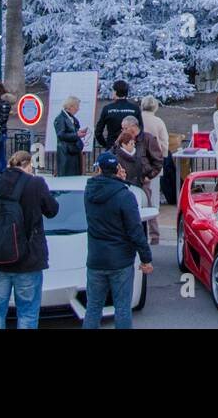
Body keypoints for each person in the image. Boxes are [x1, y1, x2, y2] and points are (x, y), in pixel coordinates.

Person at [0, 150, 58, 329]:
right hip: (28, 260)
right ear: (28, 165)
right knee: (27, 313)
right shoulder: (35, 183)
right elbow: (52, 210)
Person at [82, 151, 153, 329]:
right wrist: (146, 259)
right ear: (117, 170)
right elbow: (135, 230)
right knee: (122, 309)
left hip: (96, 259)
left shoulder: (89, 192)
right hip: (120, 260)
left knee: (93, 308)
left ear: (98, 169)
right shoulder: (125, 195)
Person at [110, 116, 163, 213]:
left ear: (134, 126)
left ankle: (151, 228)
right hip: (125, 180)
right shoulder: (122, 137)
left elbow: (158, 160)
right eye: (122, 128)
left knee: (146, 208)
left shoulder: (148, 139)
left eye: (125, 128)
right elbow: (112, 152)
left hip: (143, 181)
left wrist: (150, 175)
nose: (123, 131)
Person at [138, 97, 167, 241]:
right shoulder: (158, 121)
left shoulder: (137, 120)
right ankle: (154, 232)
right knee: (152, 198)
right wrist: (163, 154)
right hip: (154, 162)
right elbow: (164, 141)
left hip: (141, 163)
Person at [94, 80, 142, 151]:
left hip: (112, 148)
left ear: (115, 92)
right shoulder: (134, 108)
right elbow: (140, 129)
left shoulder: (107, 109)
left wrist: (106, 144)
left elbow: (98, 132)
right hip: (130, 148)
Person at [54, 96, 87, 177]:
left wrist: (78, 133)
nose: (78, 109)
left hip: (73, 152)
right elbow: (61, 135)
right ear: (71, 106)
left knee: (75, 176)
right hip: (66, 154)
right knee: (68, 177)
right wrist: (77, 134)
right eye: (77, 106)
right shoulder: (60, 118)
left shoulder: (71, 118)